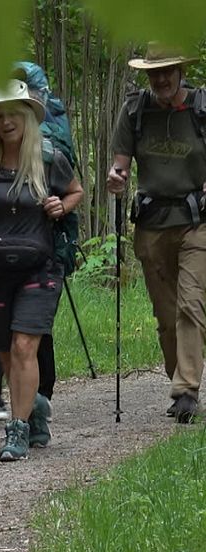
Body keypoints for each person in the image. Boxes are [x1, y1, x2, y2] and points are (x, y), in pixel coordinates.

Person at [0, 80, 83, 461]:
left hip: (40, 267)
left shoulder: (48, 157)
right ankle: (36, 405)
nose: (6, 121)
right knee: (6, 352)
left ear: (27, 117)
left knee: (26, 346)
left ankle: (18, 430)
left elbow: (76, 191)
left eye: (13, 114)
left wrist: (62, 206)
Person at [107, 42, 206, 424]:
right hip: (151, 227)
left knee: (190, 304)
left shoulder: (201, 108)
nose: (161, 79)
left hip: (197, 223)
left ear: (181, 71)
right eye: (154, 72)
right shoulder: (135, 110)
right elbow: (119, 167)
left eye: (167, 71)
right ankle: (180, 375)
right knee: (166, 315)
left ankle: (185, 390)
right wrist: (116, 179)